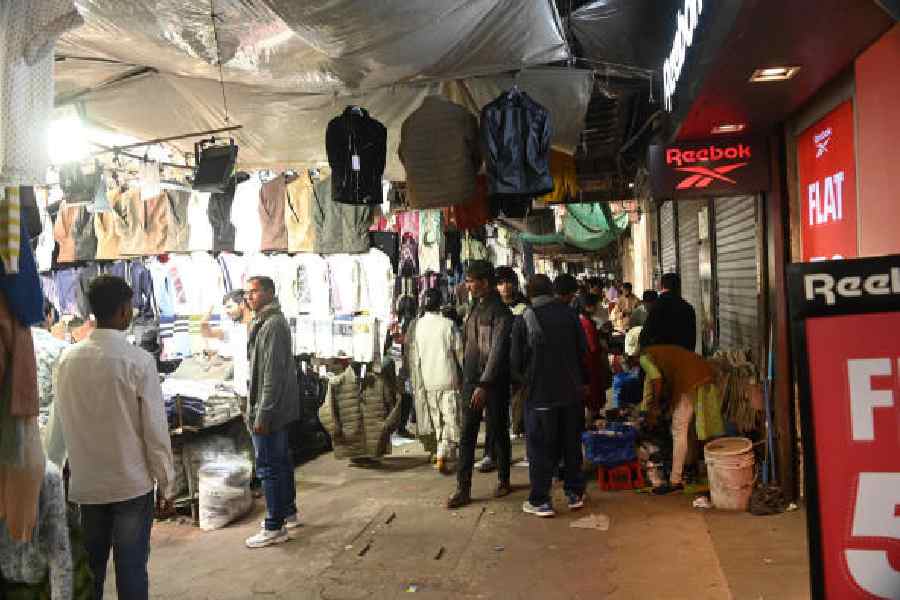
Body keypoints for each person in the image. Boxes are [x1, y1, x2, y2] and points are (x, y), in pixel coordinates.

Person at [49, 275, 175, 600]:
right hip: (130, 484)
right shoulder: (138, 361)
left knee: (90, 572)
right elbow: (155, 432)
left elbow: (58, 422)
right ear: (122, 311)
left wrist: (54, 471)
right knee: (131, 570)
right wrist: (167, 483)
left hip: (87, 486)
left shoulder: (67, 360)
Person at [511, 274, 589, 517]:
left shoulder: (525, 319)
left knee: (540, 448)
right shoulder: (570, 314)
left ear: (530, 293)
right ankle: (575, 493)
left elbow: (515, 362)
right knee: (571, 444)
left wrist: (526, 382)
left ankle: (541, 500)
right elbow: (583, 352)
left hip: (541, 395)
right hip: (571, 393)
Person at [447, 261, 513, 509]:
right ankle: (463, 489)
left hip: (492, 383)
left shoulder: (501, 313)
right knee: (467, 435)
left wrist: (484, 384)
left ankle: (504, 479)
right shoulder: (474, 308)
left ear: (484, 282)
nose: (468, 285)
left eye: (472, 280)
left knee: (497, 431)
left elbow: (496, 352)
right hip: (471, 380)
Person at [244, 276, 301, 548]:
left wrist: (262, 413)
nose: (249, 297)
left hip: (270, 410)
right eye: (247, 293)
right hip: (274, 408)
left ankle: (274, 525)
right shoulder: (265, 323)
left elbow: (271, 375)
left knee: (268, 467)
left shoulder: (272, 326)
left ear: (269, 293)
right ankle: (287, 512)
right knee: (280, 462)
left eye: (254, 292)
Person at [636, 332, 724, 495]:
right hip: (703, 374)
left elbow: (656, 380)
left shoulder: (644, 358)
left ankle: (675, 481)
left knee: (679, 429)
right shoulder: (662, 353)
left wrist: (654, 408)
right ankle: (695, 468)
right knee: (694, 429)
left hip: (692, 380)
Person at [411, 289, 464, 475]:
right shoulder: (448, 324)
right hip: (448, 379)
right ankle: (446, 454)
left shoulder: (418, 326)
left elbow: (416, 358)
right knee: (452, 418)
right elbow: (460, 353)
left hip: (428, 381)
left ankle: (441, 451)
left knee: (438, 420)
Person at [200, 290, 252, 399]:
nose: (226, 311)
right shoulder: (233, 328)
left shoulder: (257, 326)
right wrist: (209, 310)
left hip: (254, 388)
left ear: (242, 304)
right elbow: (206, 332)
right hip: (240, 389)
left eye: (229, 307)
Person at [639, 273, 697, 352]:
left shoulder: (657, 306)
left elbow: (645, 336)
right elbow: (692, 339)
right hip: (683, 358)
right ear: (679, 287)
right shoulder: (688, 308)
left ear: (661, 286)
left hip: (661, 359)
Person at [579, 294, 611, 421]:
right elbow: (593, 347)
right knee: (593, 393)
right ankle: (591, 422)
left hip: (587, 361)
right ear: (590, 307)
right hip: (591, 362)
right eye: (597, 305)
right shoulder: (587, 323)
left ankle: (593, 418)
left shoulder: (582, 320)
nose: (599, 307)